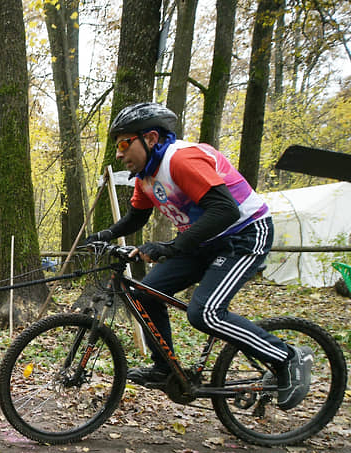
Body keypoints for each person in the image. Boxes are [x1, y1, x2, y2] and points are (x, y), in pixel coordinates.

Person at [85, 102, 311, 410]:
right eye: (118, 147)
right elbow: (137, 218)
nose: (119, 154)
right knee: (146, 293)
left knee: (205, 313)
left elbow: (225, 209)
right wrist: (105, 235)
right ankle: (164, 367)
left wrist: (170, 247)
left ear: (150, 138)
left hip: (243, 235)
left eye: (125, 143)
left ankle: (287, 357)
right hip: (203, 241)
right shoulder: (145, 177)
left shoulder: (181, 159)